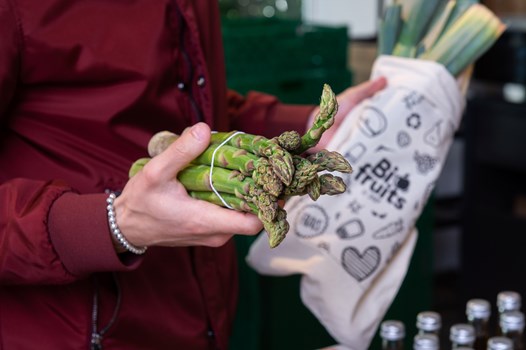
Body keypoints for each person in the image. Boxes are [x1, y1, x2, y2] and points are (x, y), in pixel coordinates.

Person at [0, 0, 386, 349]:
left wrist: (305, 126)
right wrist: (113, 224)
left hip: (199, 314)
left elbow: (187, 109)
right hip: (77, 329)